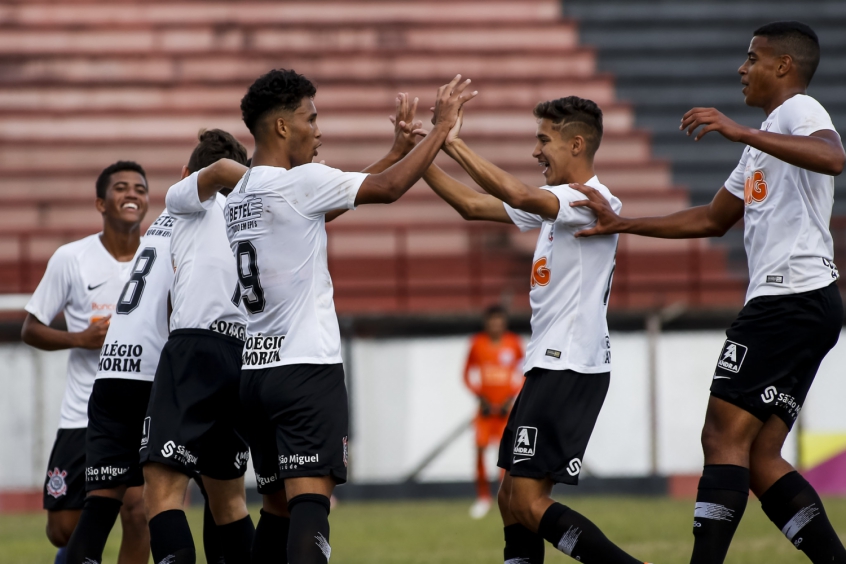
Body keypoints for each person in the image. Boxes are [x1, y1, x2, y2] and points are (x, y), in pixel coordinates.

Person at [568, 21, 846, 564]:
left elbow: (834, 156)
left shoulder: (798, 113)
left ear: (783, 67)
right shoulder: (765, 141)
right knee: (761, 457)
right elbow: (713, 219)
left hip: (787, 301)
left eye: (753, 58)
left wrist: (740, 131)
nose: (742, 68)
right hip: (807, 303)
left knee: (720, 437)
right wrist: (622, 223)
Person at [225, 68, 474, 564]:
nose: (318, 130)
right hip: (304, 373)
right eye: (310, 118)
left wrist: (396, 152)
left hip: (253, 377)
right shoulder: (302, 183)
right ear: (281, 127)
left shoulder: (241, 196)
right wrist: (442, 129)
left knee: (275, 508)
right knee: (311, 505)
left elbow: (326, 206)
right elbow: (386, 190)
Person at [421, 96, 650, 564]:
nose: (535, 152)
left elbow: (521, 195)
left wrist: (451, 140)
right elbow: (470, 205)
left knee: (526, 503)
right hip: (549, 365)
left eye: (543, 140)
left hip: (568, 366)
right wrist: (421, 151)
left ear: (577, 143)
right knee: (510, 502)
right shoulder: (557, 206)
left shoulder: (590, 200)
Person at [63, 130, 242, 564]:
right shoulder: (214, 217)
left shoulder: (162, 221)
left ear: (183, 176)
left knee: (101, 503)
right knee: (210, 493)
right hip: (159, 373)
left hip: (109, 376)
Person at [21, 161, 150, 564]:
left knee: (138, 512)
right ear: (100, 202)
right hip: (82, 414)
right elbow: (31, 328)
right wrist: (81, 338)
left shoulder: (160, 256)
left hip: (138, 410)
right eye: (121, 188)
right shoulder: (71, 258)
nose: (132, 194)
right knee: (62, 530)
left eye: (141, 189)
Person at [139, 130, 253, 564]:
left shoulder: (187, 200)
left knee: (164, 490)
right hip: (243, 354)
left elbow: (220, 172)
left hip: (195, 348)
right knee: (229, 501)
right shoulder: (257, 215)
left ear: (194, 173)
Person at [464, 305, 524, 519]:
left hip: (505, 411)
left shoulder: (514, 343)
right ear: (486, 323)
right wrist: (480, 397)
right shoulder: (477, 344)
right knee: (480, 448)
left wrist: (511, 398)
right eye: (492, 321)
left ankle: (504, 495)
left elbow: (525, 372)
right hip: (486, 410)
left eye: (499, 321)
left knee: (506, 455)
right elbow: (466, 375)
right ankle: (482, 497)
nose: (496, 325)